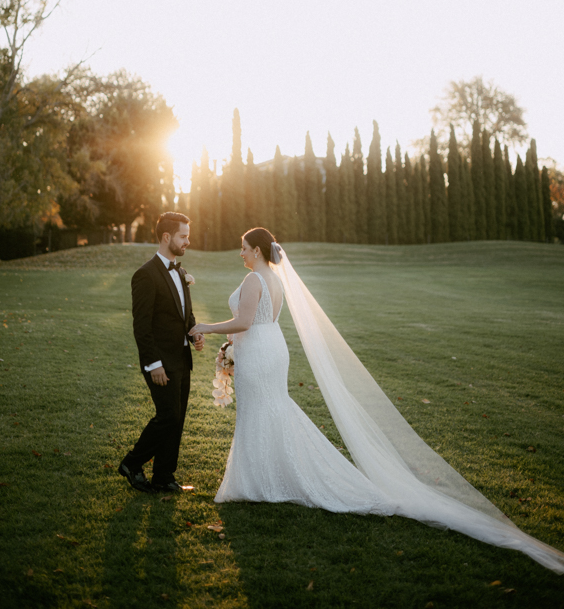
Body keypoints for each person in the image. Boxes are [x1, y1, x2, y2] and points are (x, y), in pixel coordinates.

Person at [190, 227, 564, 575]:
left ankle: (260, 482)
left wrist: (206, 327)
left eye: (243, 247)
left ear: (256, 250)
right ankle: (262, 479)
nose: (240, 253)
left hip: (259, 351)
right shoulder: (274, 279)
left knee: (263, 412)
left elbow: (244, 322)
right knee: (272, 411)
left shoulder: (254, 277)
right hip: (270, 348)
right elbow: (259, 322)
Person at [119, 212, 204, 495]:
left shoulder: (180, 272)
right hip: (160, 362)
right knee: (167, 415)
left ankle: (164, 476)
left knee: (177, 417)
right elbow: (141, 326)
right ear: (167, 237)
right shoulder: (145, 275)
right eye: (183, 236)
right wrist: (153, 364)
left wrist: (194, 333)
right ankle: (132, 464)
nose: (187, 241)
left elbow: (183, 315)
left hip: (181, 358)